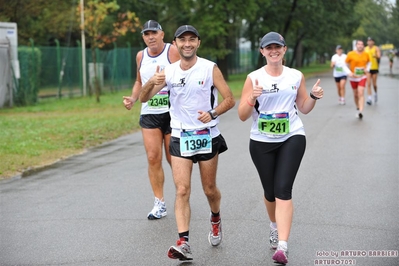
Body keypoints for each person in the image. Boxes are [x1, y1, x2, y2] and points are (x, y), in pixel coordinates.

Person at [139, 25, 235, 261]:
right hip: (180, 135)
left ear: (198, 43)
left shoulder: (209, 68)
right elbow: (143, 98)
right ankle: (184, 242)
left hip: (206, 135)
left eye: (192, 40)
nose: (187, 44)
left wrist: (212, 113)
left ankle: (215, 218)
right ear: (176, 43)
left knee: (209, 190)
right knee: (182, 189)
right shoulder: (169, 72)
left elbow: (230, 99)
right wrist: (151, 81)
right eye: (183, 40)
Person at [237, 31, 323, 265]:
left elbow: (304, 107)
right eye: (269, 48)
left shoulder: (295, 76)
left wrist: (313, 96)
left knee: (283, 189)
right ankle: (274, 225)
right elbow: (243, 116)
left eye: (278, 47)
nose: (273, 51)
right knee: (269, 191)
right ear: (262, 51)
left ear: (284, 50)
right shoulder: (253, 77)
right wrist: (251, 99)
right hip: (261, 141)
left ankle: (282, 246)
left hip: (292, 137)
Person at [122, 20, 180, 220]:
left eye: (154, 33)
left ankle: (182, 195)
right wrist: (133, 98)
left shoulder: (172, 52)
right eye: (146, 34)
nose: (150, 37)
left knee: (174, 158)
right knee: (153, 157)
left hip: (173, 113)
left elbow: (184, 73)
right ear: (143, 37)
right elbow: (139, 81)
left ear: (162, 34)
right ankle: (159, 203)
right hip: (149, 112)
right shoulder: (140, 56)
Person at [344, 40, 371, 119]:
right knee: (355, 95)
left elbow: (369, 63)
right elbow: (344, 65)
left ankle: (361, 111)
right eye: (358, 44)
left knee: (360, 92)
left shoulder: (366, 54)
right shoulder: (350, 54)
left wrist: (367, 69)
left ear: (363, 46)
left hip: (362, 76)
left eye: (362, 44)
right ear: (356, 46)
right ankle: (358, 108)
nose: (360, 46)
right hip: (353, 77)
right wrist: (349, 72)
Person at [365, 37, 381, 105]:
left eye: (371, 41)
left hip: (374, 67)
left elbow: (379, 56)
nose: (370, 42)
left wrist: (376, 55)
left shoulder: (376, 48)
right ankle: (369, 98)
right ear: (367, 42)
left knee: (374, 84)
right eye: (368, 41)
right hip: (368, 68)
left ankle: (375, 93)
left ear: (373, 42)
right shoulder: (365, 49)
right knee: (368, 83)